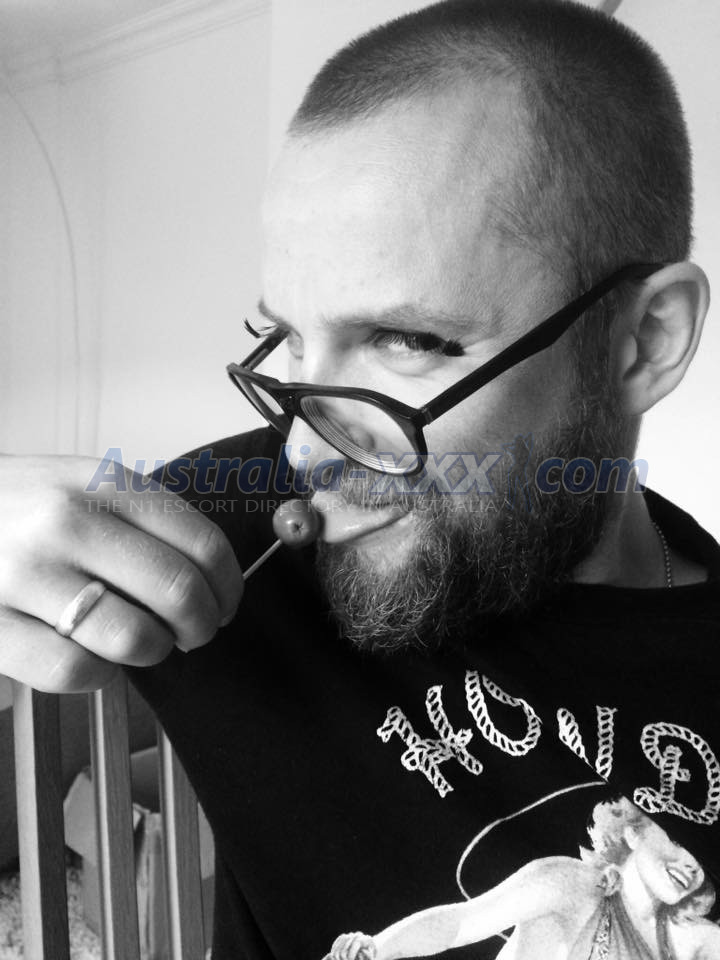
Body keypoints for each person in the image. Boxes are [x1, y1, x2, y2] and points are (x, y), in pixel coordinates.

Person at [0, 1, 718, 958]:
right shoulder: (231, 531)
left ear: (646, 340)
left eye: (406, 340)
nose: (304, 451)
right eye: (289, 336)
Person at [325, 797, 720, 959]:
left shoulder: (694, 938)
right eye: (678, 840)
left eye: (699, 857)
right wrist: (375, 950)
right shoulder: (570, 884)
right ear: (633, 829)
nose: (692, 865)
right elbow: (459, 924)